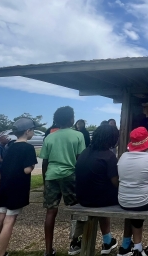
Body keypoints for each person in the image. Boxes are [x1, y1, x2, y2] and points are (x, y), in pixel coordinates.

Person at [40, 106, 86, 256]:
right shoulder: (78, 135)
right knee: (76, 210)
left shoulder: (49, 137)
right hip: (70, 175)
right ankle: (75, 243)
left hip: (51, 176)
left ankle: (48, 250)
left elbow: (44, 162)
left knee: (50, 212)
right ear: (71, 119)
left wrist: (44, 183)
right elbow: (80, 160)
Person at [0, 118, 38, 256]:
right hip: (17, 188)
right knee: (9, 220)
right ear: (28, 131)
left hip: (5, 187)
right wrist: (32, 165)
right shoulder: (28, 148)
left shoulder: (9, 147)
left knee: (0, 218)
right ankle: (1, 254)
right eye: (33, 130)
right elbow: (26, 170)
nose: (33, 132)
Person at [118, 127, 148, 256]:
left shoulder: (123, 157)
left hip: (124, 200)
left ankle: (138, 248)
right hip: (144, 200)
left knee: (136, 212)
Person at [75, 125, 120, 254]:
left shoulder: (85, 152)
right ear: (111, 139)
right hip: (99, 199)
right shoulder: (109, 156)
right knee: (130, 198)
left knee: (100, 191)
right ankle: (116, 242)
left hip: (82, 197)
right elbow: (115, 182)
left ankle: (107, 241)